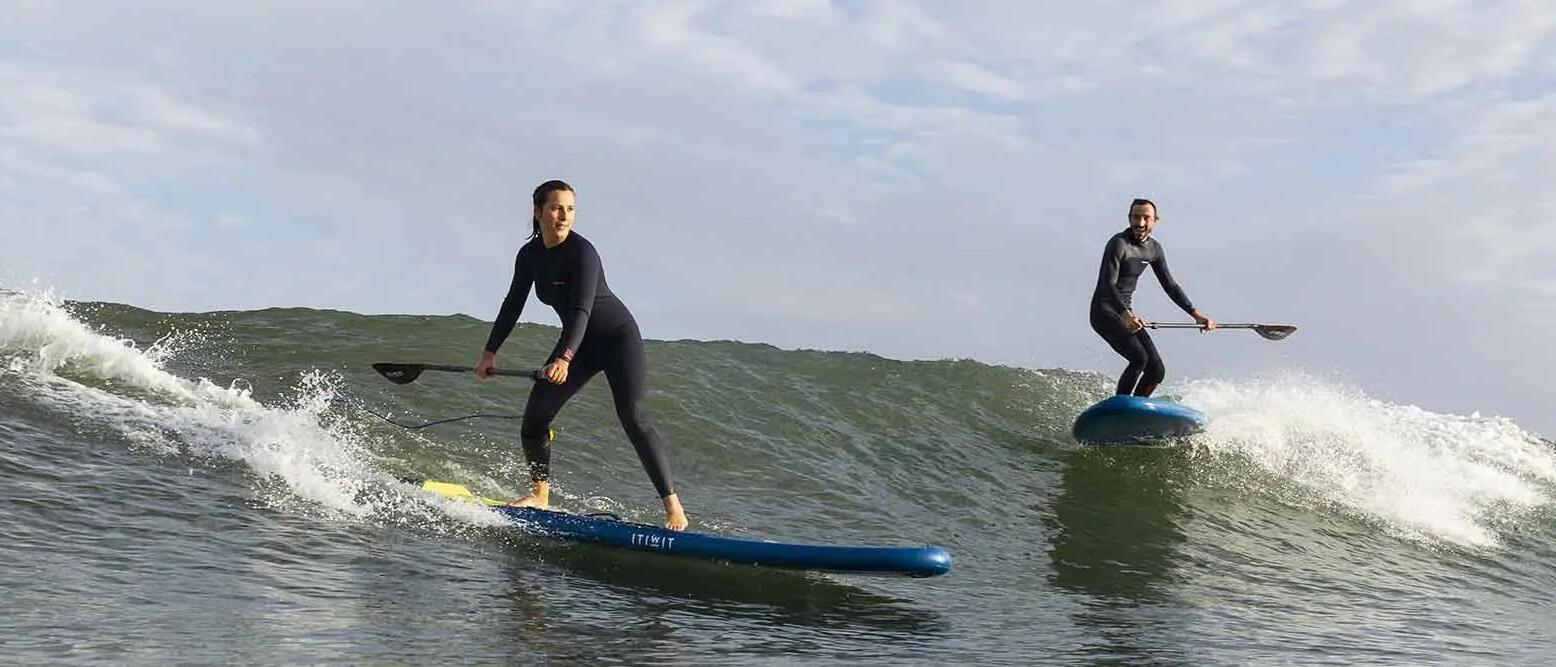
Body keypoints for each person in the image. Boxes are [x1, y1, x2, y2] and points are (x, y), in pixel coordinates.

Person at [475, 180, 689, 531]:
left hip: (617, 338)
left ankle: (674, 508)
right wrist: (489, 352)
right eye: (557, 208)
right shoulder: (529, 256)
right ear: (537, 212)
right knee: (535, 419)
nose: (563, 216)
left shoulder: (583, 252)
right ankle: (540, 495)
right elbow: (513, 303)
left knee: (633, 416)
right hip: (580, 344)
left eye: (570, 209)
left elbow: (581, 310)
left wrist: (564, 358)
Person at [1090, 198, 1216, 397]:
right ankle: (1120, 407)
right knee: (1139, 358)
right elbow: (1107, 285)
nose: (1140, 223)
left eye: (1145, 218)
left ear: (1155, 220)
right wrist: (1126, 315)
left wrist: (1195, 314)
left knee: (1156, 370)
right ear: (1129, 218)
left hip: (1127, 315)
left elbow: (1170, 285)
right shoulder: (1118, 244)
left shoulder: (1154, 249)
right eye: (1135, 217)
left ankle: (1137, 409)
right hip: (1104, 312)